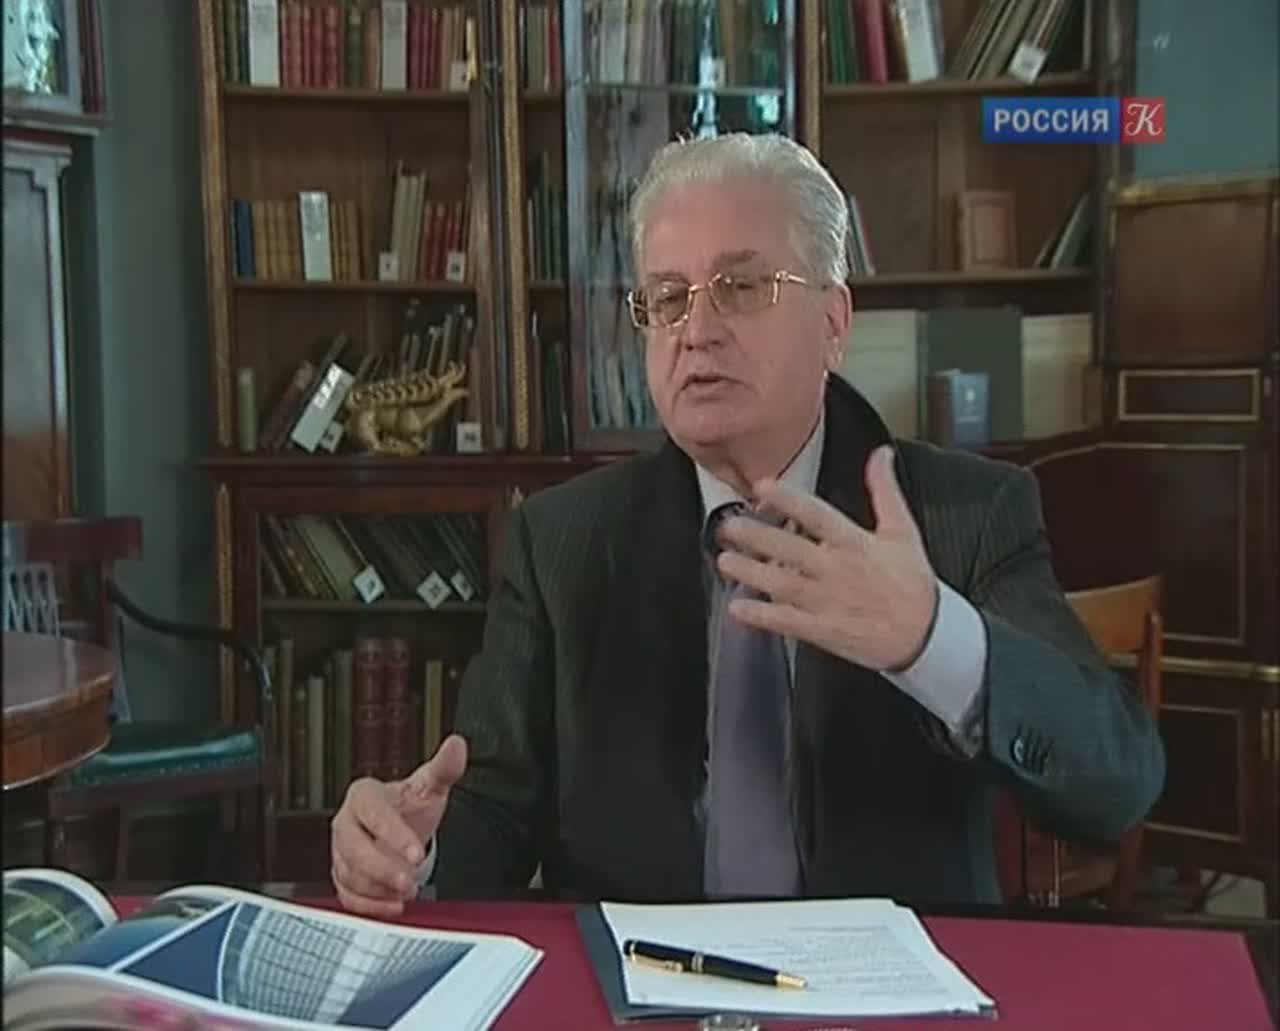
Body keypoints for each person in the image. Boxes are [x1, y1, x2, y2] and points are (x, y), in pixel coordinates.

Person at [330, 133, 1165, 916]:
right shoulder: (564, 541)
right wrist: (412, 849)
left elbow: (1116, 784)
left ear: (833, 323)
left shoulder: (962, 514)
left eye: (740, 286)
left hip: (883, 990)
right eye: (667, 297)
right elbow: (492, 812)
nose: (696, 331)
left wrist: (933, 638)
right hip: (639, 985)